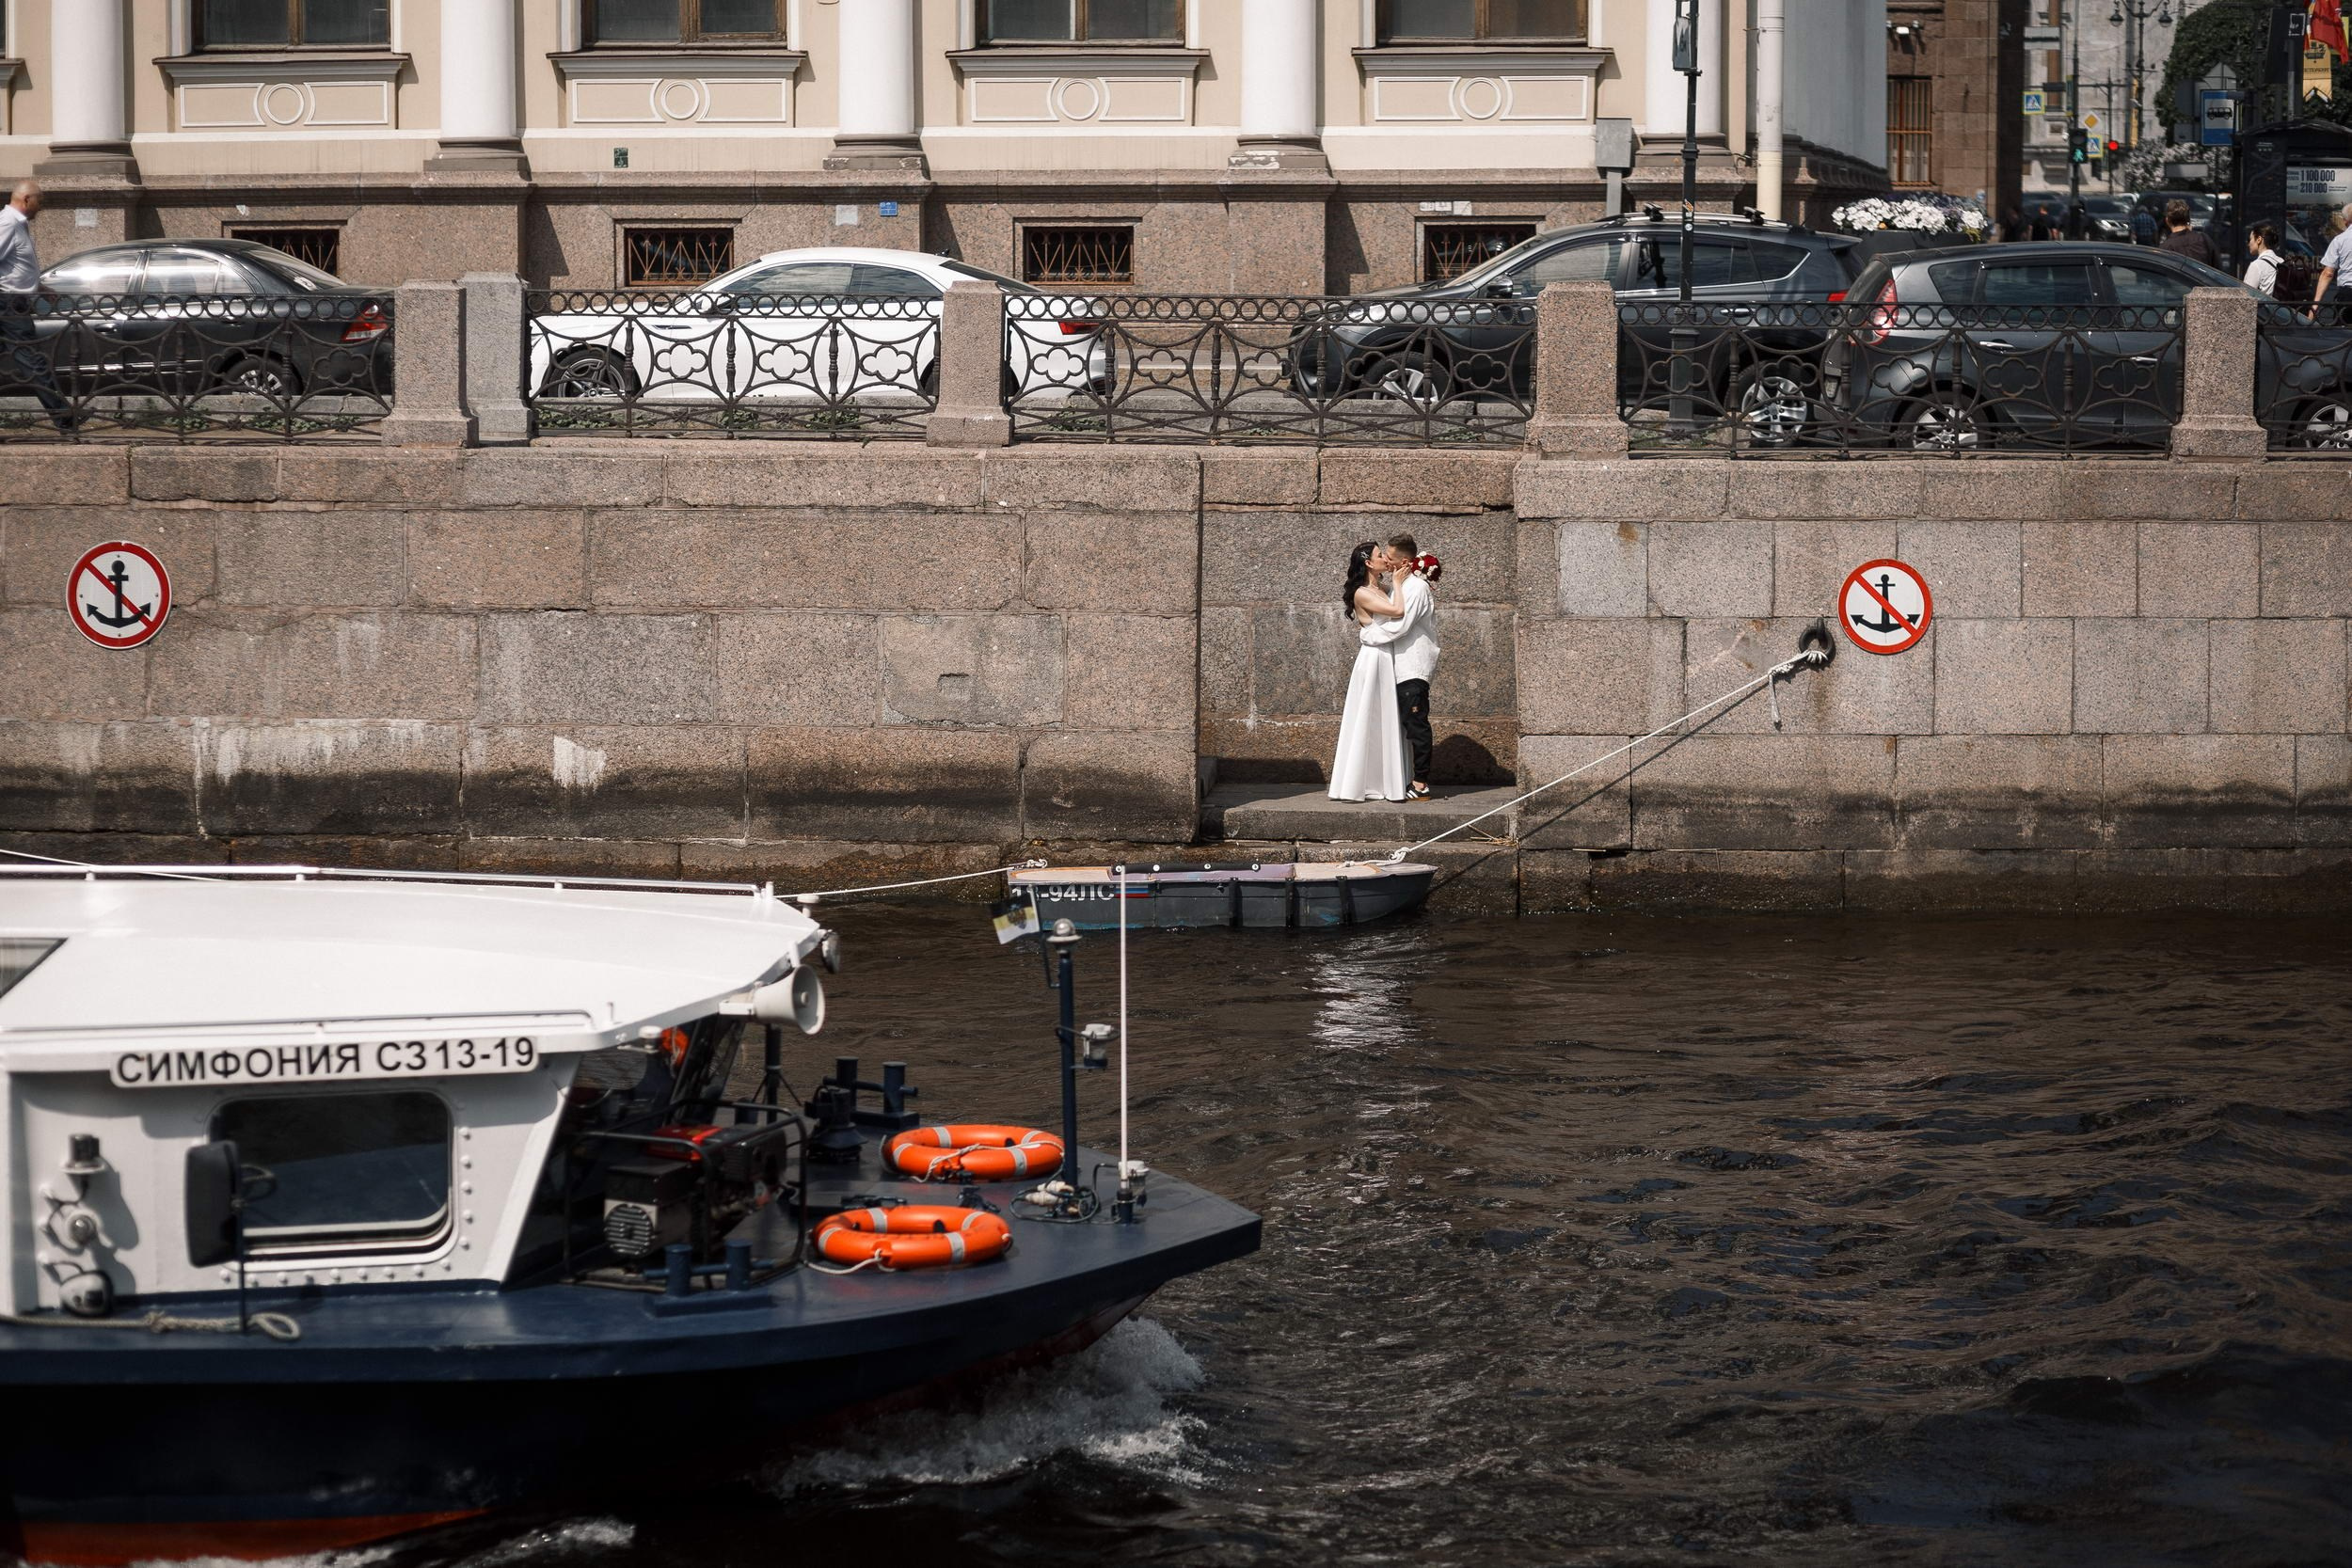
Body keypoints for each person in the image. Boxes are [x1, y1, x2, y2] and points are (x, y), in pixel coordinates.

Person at [1359, 533, 1440, 801]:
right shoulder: (1400, 584)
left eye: (1390, 558)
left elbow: (1400, 626)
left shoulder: (1415, 588)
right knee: (1404, 725)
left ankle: (1421, 784)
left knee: (1416, 725)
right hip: (1397, 667)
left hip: (1412, 667)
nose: (1386, 561)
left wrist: (1368, 636)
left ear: (1404, 561)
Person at [1327, 541, 1409, 803]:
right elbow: (1397, 611)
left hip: (1387, 657)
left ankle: (1388, 780)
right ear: (1368, 563)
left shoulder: (1380, 588)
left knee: (1386, 717)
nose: (1385, 559)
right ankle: (1359, 782)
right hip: (1373, 659)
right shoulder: (1363, 593)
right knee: (1368, 716)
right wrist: (1398, 582)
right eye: (1379, 556)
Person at [0, 180, 73, 434]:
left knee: (31, 360)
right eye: (40, 202)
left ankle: (65, 417)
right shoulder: (8, 223)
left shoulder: (16, 225)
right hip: (9, 305)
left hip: (11, 301)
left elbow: (12, 266)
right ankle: (66, 419)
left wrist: (40, 288)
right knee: (33, 361)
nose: (41, 208)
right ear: (27, 200)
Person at [2312, 202, 2352, 320]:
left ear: (2345, 221)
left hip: (2348, 296)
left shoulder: (2340, 240)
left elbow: (2328, 273)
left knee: (2344, 334)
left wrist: (2315, 305)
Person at [2157, 199, 2218, 268]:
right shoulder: (2203, 239)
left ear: (2167, 220)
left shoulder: (2166, 247)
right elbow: (2218, 270)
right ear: (2188, 219)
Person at [2245, 222, 2284, 297]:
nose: (2248, 243)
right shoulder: (2282, 261)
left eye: (2249, 239)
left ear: (2259, 239)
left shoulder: (2256, 266)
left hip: (2264, 308)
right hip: (2281, 308)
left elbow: (2246, 298)